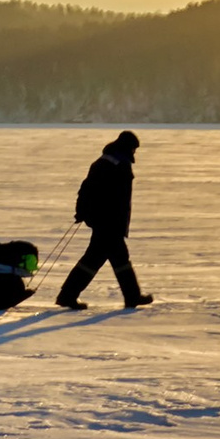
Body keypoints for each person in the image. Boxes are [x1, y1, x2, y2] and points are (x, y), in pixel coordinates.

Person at [56, 130, 153, 309]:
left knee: (108, 259)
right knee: (106, 259)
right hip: (109, 221)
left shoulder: (107, 161)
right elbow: (93, 190)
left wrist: (82, 211)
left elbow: (86, 188)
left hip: (106, 220)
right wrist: (85, 212)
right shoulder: (115, 163)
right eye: (133, 148)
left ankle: (69, 295)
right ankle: (68, 295)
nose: (134, 152)